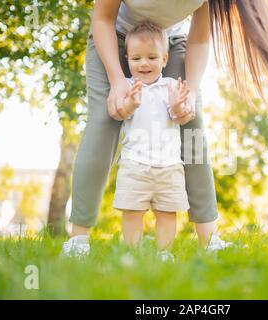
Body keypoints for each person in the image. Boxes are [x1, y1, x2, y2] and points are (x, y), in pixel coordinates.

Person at [62, 0, 268, 256]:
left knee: (192, 128)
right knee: (103, 121)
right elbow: (102, 18)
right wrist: (116, 80)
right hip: (115, 38)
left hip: (167, 45)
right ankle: (78, 241)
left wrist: (190, 94)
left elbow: (199, 39)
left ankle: (210, 242)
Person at [113, 21, 195, 262]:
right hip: (134, 163)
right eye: (136, 58)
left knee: (168, 212)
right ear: (127, 58)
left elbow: (178, 116)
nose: (144, 63)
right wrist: (131, 104)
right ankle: (131, 252)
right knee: (132, 211)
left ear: (165, 59)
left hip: (169, 164)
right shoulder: (126, 86)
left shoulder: (171, 86)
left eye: (151, 57)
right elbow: (121, 113)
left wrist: (178, 104)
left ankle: (164, 253)